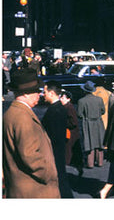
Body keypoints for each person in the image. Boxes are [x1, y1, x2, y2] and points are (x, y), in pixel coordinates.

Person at [2, 68, 60, 198]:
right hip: (34, 189)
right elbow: (29, 155)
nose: (39, 95)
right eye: (37, 91)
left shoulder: (12, 113)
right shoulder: (22, 117)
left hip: (23, 188)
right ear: (26, 94)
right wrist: (50, 173)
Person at [42, 80, 74, 198]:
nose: (43, 94)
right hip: (58, 149)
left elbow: (53, 135)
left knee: (59, 180)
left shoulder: (55, 110)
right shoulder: (58, 108)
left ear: (51, 93)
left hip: (54, 151)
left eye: (44, 92)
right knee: (60, 179)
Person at [77, 80, 106, 168]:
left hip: (88, 122)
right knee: (99, 142)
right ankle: (100, 162)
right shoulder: (99, 99)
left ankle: (90, 163)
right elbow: (103, 111)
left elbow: (79, 114)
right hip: (98, 122)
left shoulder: (82, 101)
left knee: (89, 143)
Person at [60, 90, 84, 176]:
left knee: (70, 152)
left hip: (71, 134)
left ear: (68, 99)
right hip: (71, 134)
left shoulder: (69, 108)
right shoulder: (66, 107)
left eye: (63, 98)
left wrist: (63, 123)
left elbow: (73, 122)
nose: (61, 100)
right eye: (61, 98)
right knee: (72, 152)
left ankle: (70, 169)